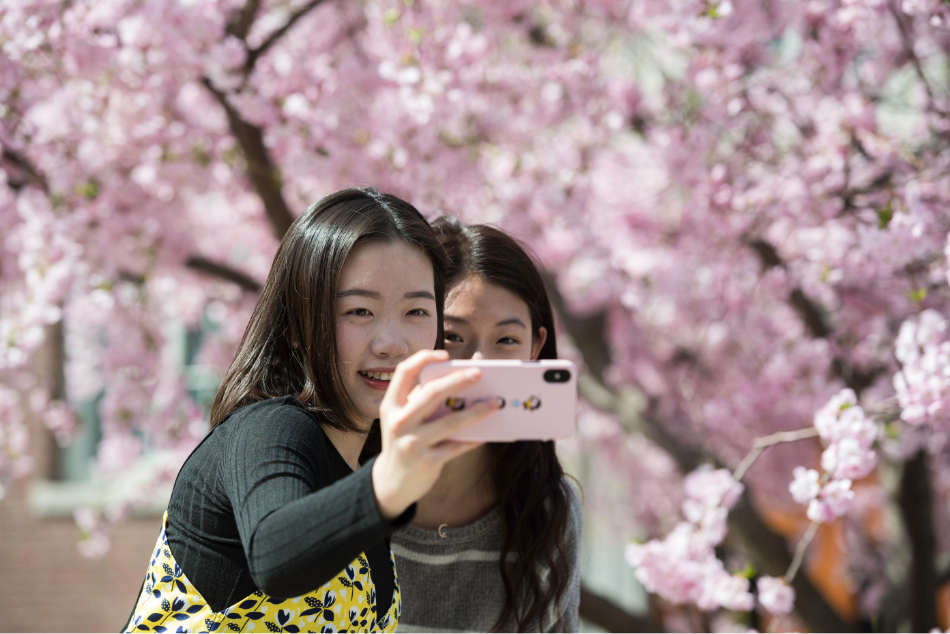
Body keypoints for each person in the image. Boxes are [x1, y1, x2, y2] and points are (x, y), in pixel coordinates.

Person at [122, 188, 498, 634]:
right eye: (360, 311)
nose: (392, 343)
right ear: (300, 326)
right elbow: (275, 554)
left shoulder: (370, 466)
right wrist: (392, 480)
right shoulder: (271, 427)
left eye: (417, 310)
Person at [390, 218, 583, 632]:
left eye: (507, 341)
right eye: (453, 337)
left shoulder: (549, 510)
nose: (479, 365)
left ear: (535, 348)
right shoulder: (340, 476)